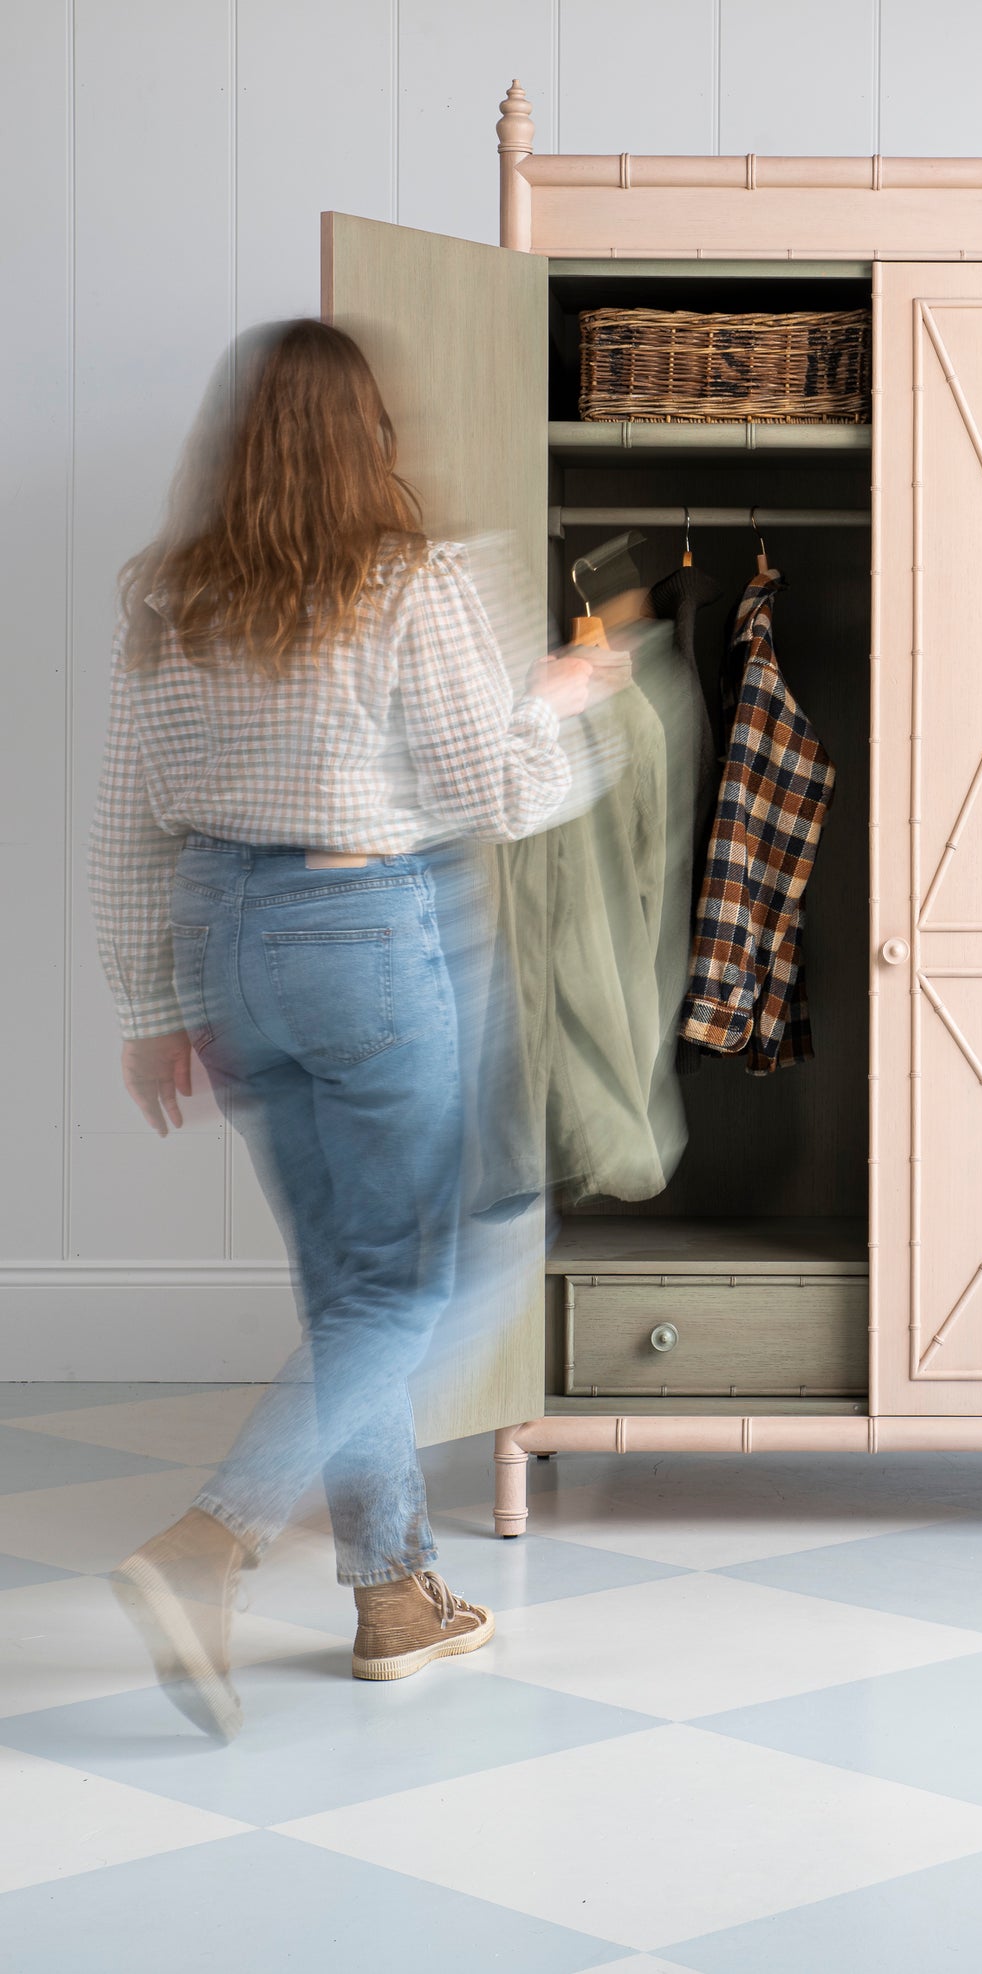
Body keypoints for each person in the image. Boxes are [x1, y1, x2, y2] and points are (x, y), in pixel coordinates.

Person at [89, 319, 590, 1738]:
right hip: (372, 932)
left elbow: (128, 816)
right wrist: (559, 700)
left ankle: (394, 1591)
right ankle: (212, 1541)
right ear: (368, 436)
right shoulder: (415, 582)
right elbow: (501, 788)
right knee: (443, 1273)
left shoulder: (168, 597)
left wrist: (150, 1003)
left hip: (226, 942)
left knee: (348, 1284)